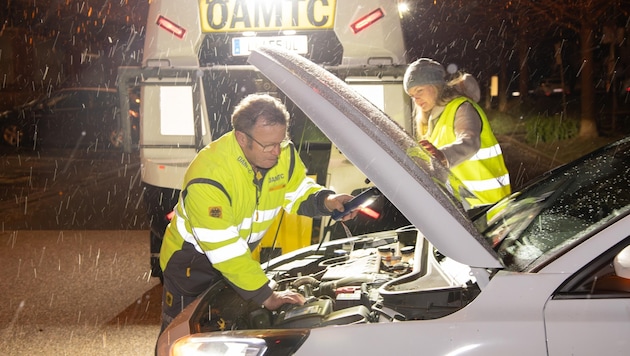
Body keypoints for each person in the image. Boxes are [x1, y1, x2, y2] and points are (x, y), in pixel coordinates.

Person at [158, 93, 357, 333]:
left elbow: (295, 190)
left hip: (239, 260)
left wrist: (326, 201)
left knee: (230, 333)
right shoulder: (209, 175)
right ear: (242, 138)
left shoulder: (283, 153)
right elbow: (224, 249)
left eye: (281, 142)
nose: (277, 151)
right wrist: (267, 295)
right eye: (268, 145)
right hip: (191, 266)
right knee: (182, 336)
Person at [403, 58, 511, 206]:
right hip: (468, 208)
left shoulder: (461, 107)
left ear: (436, 86)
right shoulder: (434, 119)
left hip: (488, 208)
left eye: (419, 90)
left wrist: (443, 156)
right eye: (412, 95)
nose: (416, 99)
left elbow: (470, 141)